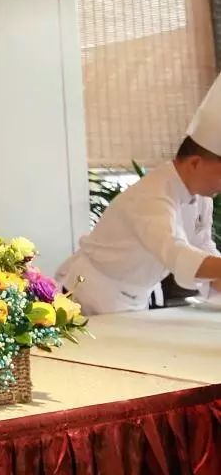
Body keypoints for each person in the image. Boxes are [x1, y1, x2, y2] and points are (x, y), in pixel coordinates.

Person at [56, 74, 221, 315]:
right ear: (195, 163)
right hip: (91, 295)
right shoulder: (152, 194)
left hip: (137, 298)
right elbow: (174, 252)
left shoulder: (202, 196)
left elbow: (202, 245)